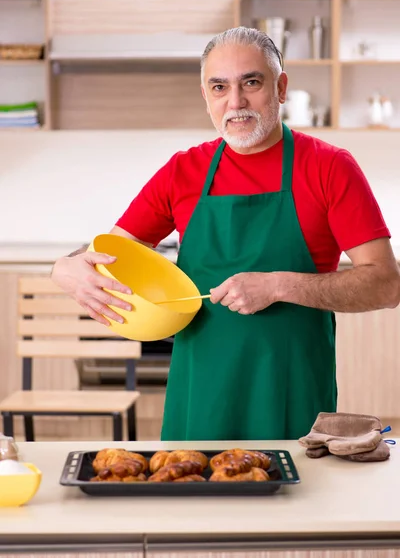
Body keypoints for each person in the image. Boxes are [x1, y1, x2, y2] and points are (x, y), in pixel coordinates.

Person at [52, 27, 400, 442]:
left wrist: (279, 285)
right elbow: (110, 255)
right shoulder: (183, 172)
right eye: (220, 87)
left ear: (281, 87)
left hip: (290, 389)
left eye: (250, 82)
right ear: (206, 96)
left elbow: (385, 284)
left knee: (295, 502)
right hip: (200, 389)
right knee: (192, 496)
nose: (235, 103)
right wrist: (68, 266)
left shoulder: (330, 167)